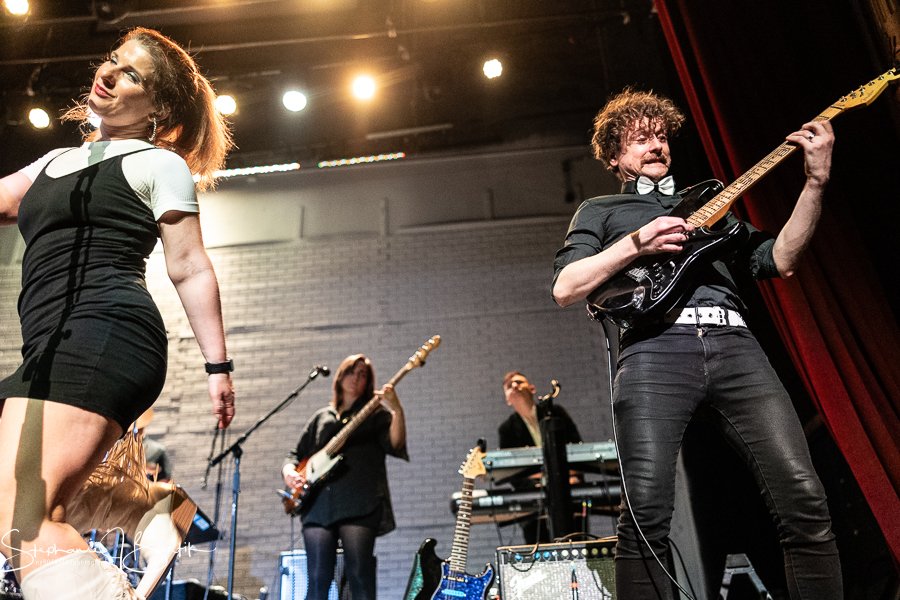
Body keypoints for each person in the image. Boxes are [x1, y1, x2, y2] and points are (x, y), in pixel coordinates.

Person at [552, 88, 840, 599]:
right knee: (645, 513)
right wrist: (636, 242)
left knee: (803, 495)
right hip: (654, 350)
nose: (656, 145)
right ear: (615, 156)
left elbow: (780, 259)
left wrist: (815, 182)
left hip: (735, 344)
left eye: (661, 136)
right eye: (640, 139)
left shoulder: (713, 206)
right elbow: (566, 287)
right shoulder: (601, 209)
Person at [0, 27, 236, 600]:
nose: (107, 73)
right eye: (112, 59)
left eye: (131, 74)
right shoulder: (56, 161)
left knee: (22, 515)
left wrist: (218, 368)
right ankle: (141, 505)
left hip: (105, 332)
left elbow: (190, 267)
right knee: (10, 500)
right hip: (48, 345)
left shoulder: (159, 164)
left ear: (158, 109)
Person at [281, 354, 408, 600]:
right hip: (317, 506)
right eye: (351, 371)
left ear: (368, 383)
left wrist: (396, 409)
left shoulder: (376, 414)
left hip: (359, 504)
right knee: (317, 581)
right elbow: (294, 455)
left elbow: (396, 443)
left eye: (363, 375)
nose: (356, 378)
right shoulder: (321, 417)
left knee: (359, 577)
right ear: (340, 377)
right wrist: (289, 472)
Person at [497, 371, 583, 544]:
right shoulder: (506, 429)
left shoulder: (556, 412)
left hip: (569, 493)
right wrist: (538, 483)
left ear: (532, 388)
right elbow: (512, 472)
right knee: (539, 547)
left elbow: (577, 448)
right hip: (532, 505)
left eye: (519, 382)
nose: (515, 386)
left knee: (576, 543)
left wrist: (572, 476)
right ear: (507, 399)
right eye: (509, 386)